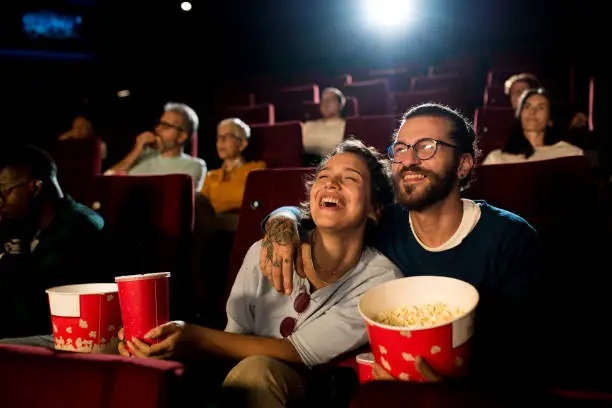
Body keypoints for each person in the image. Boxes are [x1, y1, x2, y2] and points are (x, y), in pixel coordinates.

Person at [259, 103, 540, 388]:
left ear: (463, 165)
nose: (408, 160)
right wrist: (281, 220)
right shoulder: (383, 224)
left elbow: (527, 365)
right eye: (401, 148)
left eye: (426, 146)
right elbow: (318, 217)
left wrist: (448, 392)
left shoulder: (511, 239)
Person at [118, 139, 402, 408]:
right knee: (121, 348)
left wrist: (194, 337)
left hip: (311, 389)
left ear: (375, 209)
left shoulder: (382, 281)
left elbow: (299, 352)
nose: (330, 183)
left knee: (257, 372)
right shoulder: (264, 250)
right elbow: (233, 335)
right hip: (234, 378)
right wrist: (167, 343)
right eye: (323, 175)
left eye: (350, 178)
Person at [0, 146, 106, 340]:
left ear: (35, 187)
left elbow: (36, 313)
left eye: (4, 192)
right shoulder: (22, 223)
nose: (1, 202)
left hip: (58, 337)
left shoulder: (80, 228)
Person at [105, 102, 207, 190]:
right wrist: (137, 150)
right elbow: (107, 180)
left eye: (166, 126)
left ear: (181, 136)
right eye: (159, 123)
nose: (158, 129)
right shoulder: (142, 155)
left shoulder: (193, 165)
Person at [483, 88, 583, 165]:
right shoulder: (497, 159)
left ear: (550, 119)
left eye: (540, 108)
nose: (532, 111)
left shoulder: (571, 154)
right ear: (519, 116)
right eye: (527, 107)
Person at [200, 118, 266, 215]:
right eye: (219, 137)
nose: (221, 141)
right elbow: (200, 206)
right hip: (212, 224)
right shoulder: (211, 176)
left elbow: (257, 204)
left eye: (227, 136)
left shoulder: (256, 170)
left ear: (242, 144)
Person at [302, 87, 347, 164]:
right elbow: (297, 146)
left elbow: (335, 147)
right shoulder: (308, 125)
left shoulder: (345, 125)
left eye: (330, 100)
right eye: (323, 100)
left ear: (340, 105)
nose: (325, 103)